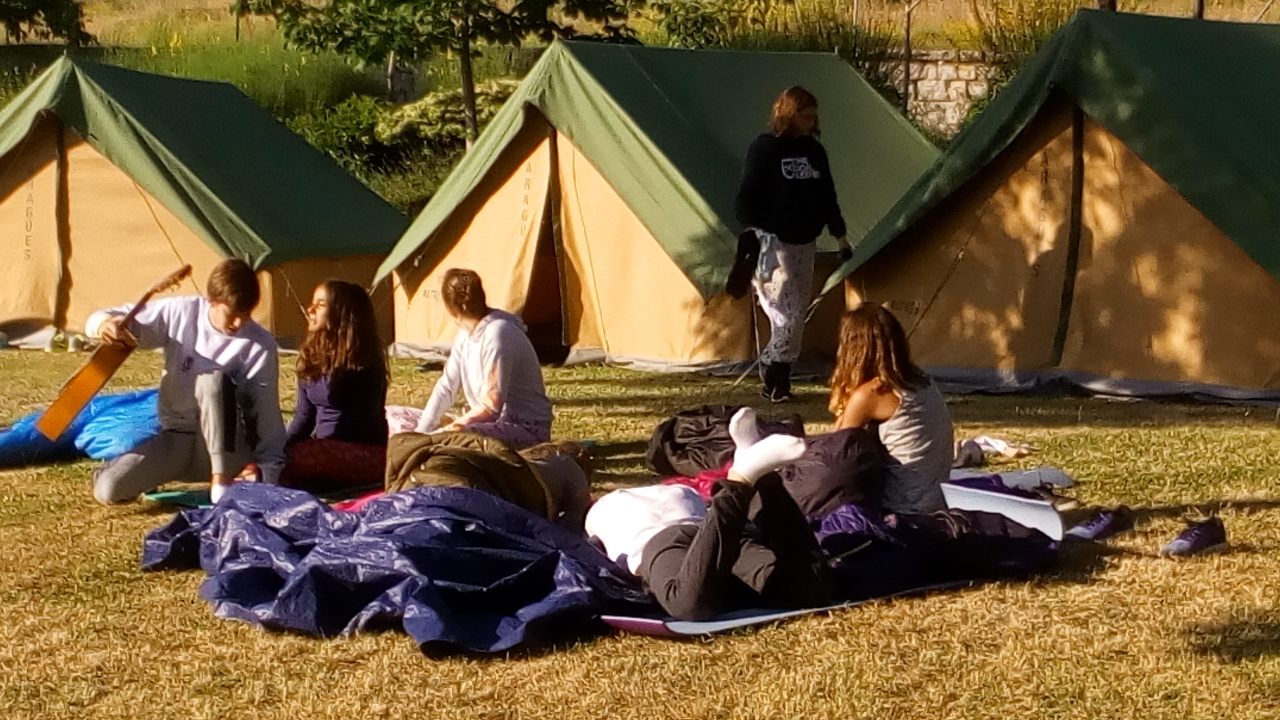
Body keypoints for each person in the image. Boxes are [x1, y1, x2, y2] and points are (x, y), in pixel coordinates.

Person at [586, 408, 832, 621]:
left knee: (688, 605)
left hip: (669, 537)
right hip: (709, 530)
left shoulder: (599, 509)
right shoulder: (665, 493)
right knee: (810, 587)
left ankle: (743, 476)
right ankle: (757, 470)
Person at [88, 258, 286, 505]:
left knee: (213, 382)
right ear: (212, 300)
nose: (238, 323)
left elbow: (266, 412)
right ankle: (115, 471)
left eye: (245, 316)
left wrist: (268, 473)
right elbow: (122, 320)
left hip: (230, 448)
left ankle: (221, 482)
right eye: (232, 314)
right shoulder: (182, 313)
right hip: (178, 438)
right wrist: (105, 325)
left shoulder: (260, 345)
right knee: (108, 491)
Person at [734, 85, 850, 403]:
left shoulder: (814, 152)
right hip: (774, 242)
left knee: (796, 313)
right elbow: (746, 197)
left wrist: (840, 235)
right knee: (783, 313)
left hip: (805, 242)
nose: (811, 120)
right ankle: (776, 378)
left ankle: (778, 374)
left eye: (814, 115)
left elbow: (828, 196)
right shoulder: (766, 149)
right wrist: (754, 231)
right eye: (805, 114)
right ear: (789, 114)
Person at [828, 302, 954, 514]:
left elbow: (833, 459)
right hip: (936, 504)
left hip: (901, 513)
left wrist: (847, 394)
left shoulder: (872, 394)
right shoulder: (920, 381)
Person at [414, 269, 552, 449]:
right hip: (486, 424)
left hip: (524, 429)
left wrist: (447, 431)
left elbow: (491, 407)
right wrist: (421, 432)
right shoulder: (465, 334)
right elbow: (447, 386)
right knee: (395, 415)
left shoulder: (499, 334)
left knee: (456, 438)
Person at [279, 280, 389, 494]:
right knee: (273, 459)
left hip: (362, 452)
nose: (309, 310)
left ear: (340, 313)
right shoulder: (311, 356)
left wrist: (316, 448)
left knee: (302, 457)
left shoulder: (364, 362)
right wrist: (281, 449)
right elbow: (303, 418)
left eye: (320, 305)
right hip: (321, 450)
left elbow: (362, 424)